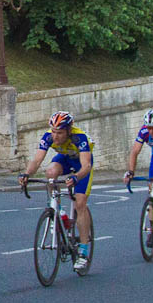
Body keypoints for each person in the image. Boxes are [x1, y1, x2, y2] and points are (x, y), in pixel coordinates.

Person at [18, 111, 94, 271]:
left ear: (68, 130)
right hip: (65, 159)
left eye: (59, 133)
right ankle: (57, 210)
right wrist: (26, 174)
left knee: (80, 203)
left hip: (82, 164)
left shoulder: (79, 138)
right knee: (50, 172)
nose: (55, 136)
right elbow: (37, 160)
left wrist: (76, 177)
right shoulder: (48, 136)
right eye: (53, 131)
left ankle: (83, 252)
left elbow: (86, 165)